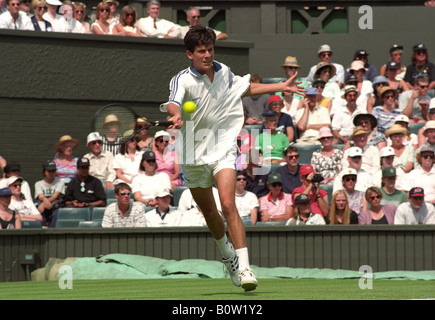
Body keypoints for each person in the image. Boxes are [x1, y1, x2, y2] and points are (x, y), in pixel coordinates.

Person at [162, 25, 305, 291]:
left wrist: (280, 85)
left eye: (210, 49)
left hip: (222, 148)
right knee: (210, 212)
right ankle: (228, 258)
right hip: (193, 154)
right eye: (202, 51)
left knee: (229, 204)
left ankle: (246, 268)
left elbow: (246, 88)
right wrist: (176, 114)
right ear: (189, 54)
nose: (207, 55)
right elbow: (174, 102)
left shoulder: (224, 71)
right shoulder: (181, 80)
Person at [34, 160, 64, 227]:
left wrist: (43, 204)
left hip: (55, 207)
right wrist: (45, 201)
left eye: (53, 171)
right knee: (39, 214)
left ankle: (51, 233)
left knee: (56, 215)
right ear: (44, 172)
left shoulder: (60, 182)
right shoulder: (38, 183)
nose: (51, 173)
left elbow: (55, 196)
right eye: (49, 171)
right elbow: (40, 196)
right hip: (43, 207)